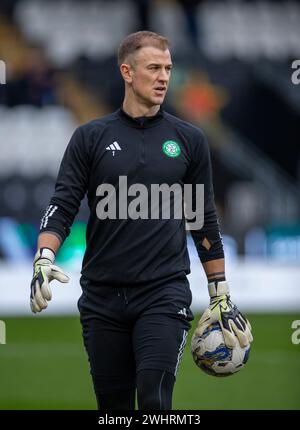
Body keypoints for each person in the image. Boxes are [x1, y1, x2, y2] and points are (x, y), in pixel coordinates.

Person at [30, 31, 253, 410]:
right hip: (102, 298)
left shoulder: (190, 140)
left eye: (168, 68)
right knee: (113, 409)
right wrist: (44, 257)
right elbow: (62, 204)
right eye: (154, 68)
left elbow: (203, 220)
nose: (164, 77)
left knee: (154, 400)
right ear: (127, 72)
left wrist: (220, 290)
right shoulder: (89, 138)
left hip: (164, 294)